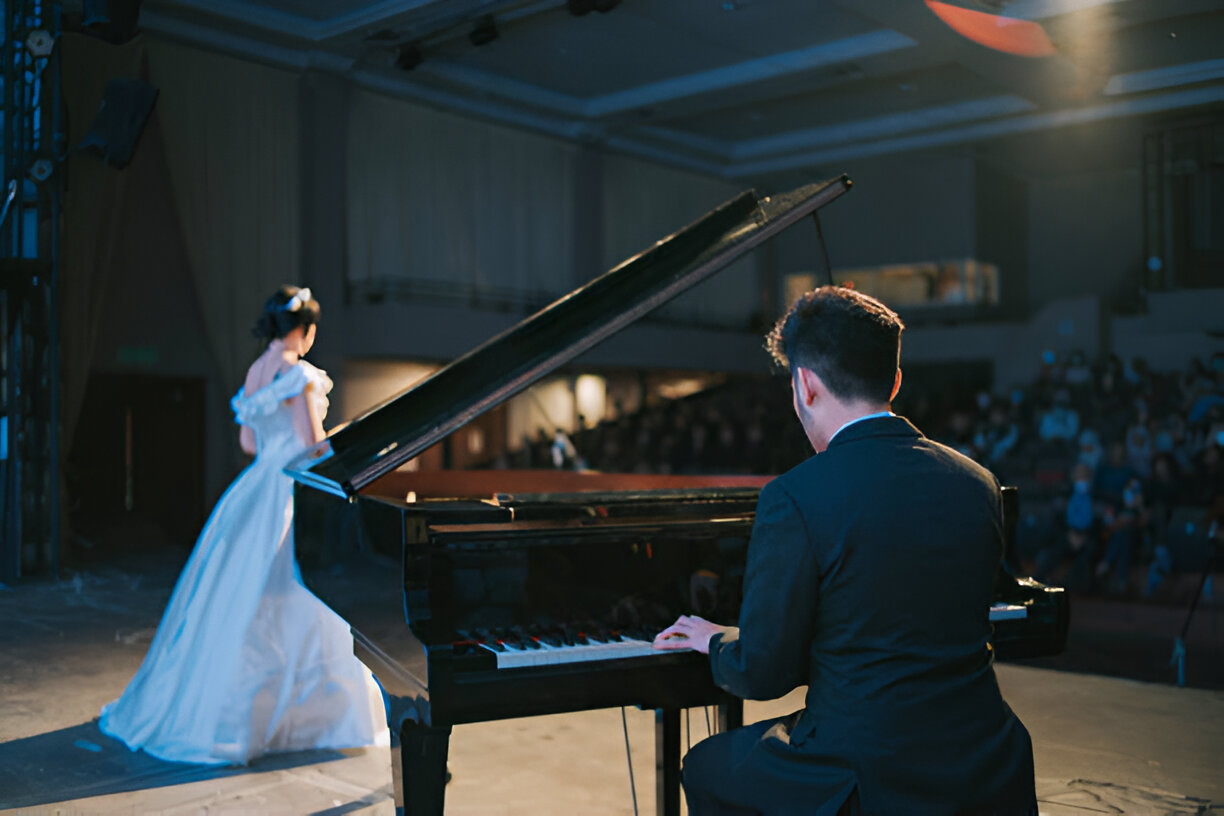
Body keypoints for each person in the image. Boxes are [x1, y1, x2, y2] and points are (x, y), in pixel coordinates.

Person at [653, 286, 1036, 815]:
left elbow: (765, 674)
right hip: (983, 755)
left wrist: (719, 642)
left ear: (804, 386)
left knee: (707, 766)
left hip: (865, 769)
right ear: (895, 382)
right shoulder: (977, 482)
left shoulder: (794, 497)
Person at [100, 285, 387, 765]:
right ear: (305, 330)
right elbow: (311, 446)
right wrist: (346, 440)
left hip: (254, 488)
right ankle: (309, 719)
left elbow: (251, 444)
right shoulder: (298, 376)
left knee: (238, 599)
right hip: (288, 490)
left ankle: (228, 714)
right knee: (300, 593)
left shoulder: (256, 372)